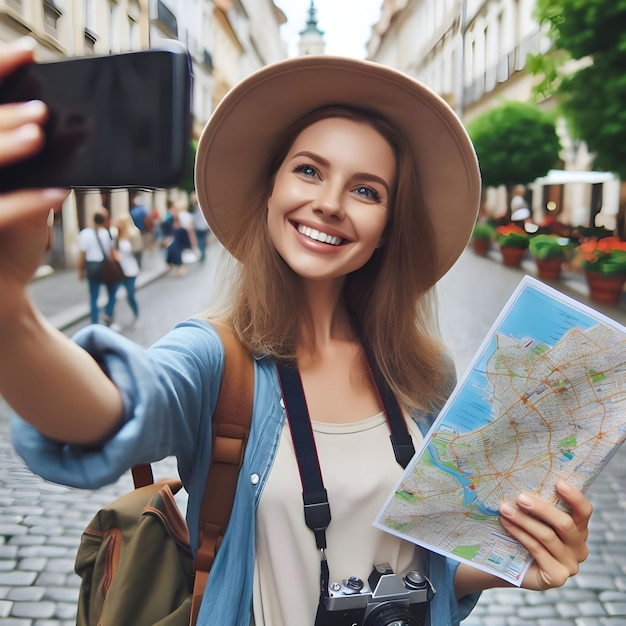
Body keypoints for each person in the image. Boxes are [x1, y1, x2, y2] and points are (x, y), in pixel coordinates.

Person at [0, 39, 592, 626]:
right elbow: (103, 411)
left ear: (387, 226)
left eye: (366, 190)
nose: (330, 203)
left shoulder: (424, 374)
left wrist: (515, 561)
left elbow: (423, 570)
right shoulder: (216, 358)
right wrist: (9, 306)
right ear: (271, 191)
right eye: (308, 170)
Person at [76, 206, 118, 326]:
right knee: (112, 292)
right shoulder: (107, 233)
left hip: (92, 266)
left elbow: (82, 255)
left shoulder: (85, 234)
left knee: (94, 296)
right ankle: (108, 314)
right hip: (105, 266)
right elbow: (111, 251)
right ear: (104, 220)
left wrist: (80, 270)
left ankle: (94, 323)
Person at [113, 213, 141, 323]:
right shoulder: (117, 235)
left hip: (131, 270)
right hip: (119, 270)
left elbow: (138, 251)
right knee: (113, 296)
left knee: (130, 295)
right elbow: (114, 249)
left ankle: (136, 312)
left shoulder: (133, 234)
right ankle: (111, 320)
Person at [189, 190, 211, 263]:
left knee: (200, 241)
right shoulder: (201, 208)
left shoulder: (195, 209)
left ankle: (202, 253)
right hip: (203, 227)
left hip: (199, 227)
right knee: (202, 241)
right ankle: (203, 253)